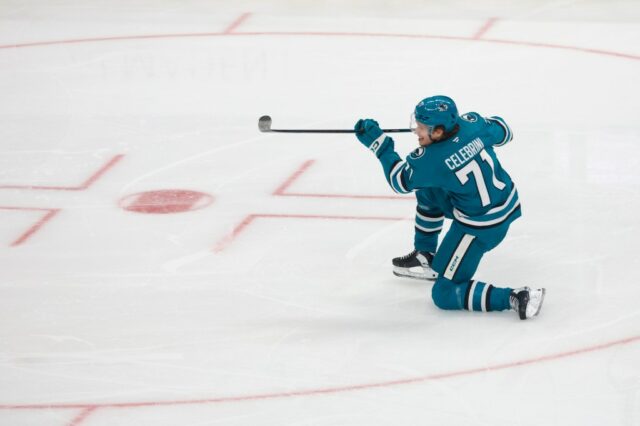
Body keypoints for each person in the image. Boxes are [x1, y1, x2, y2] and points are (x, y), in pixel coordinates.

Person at [354, 95, 545, 320]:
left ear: (438, 132)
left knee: (444, 293)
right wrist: (477, 132)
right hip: (505, 202)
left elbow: (399, 180)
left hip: (481, 228)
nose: (416, 131)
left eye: (422, 127)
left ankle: (516, 296)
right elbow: (505, 131)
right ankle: (426, 254)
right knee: (427, 189)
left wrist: (381, 145)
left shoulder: (431, 161)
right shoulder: (473, 122)